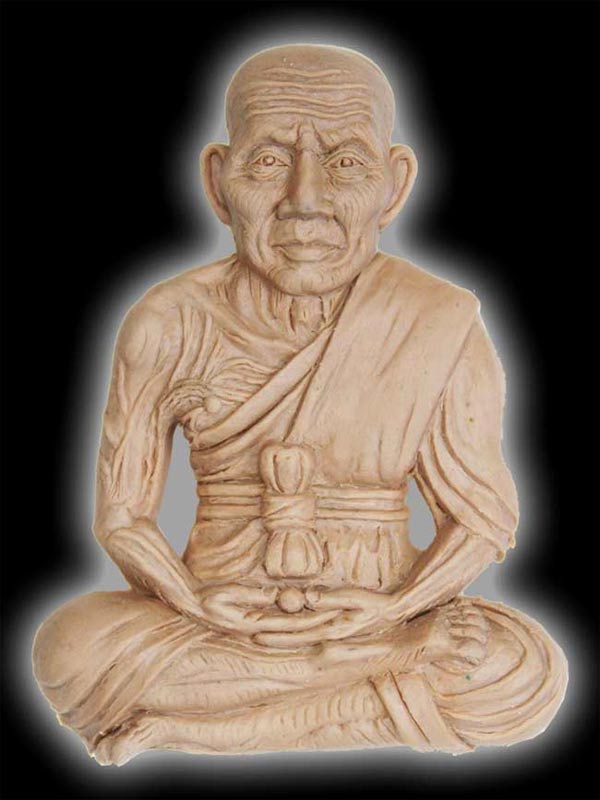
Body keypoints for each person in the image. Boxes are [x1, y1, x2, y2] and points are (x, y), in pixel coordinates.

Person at [32, 44, 567, 765]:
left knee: (522, 672)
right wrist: (192, 600)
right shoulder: (170, 321)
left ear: (394, 185)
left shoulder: (435, 322)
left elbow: (481, 519)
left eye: (345, 162)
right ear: (218, 182)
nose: (305, 200)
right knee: (68, 648)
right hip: (222, 617)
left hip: (376, 608)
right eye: (267, 162)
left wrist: (395, 607)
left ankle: (205, 723)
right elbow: (123, 515)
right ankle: (364, 691)